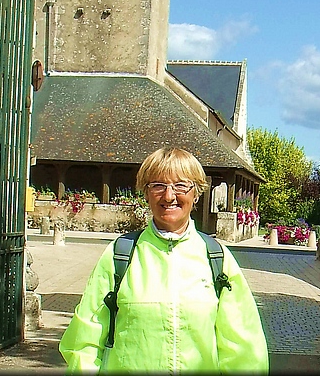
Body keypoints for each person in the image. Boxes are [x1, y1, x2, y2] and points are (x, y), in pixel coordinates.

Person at [59, 147, 269, 373]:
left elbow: (244, 349)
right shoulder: (120, 255)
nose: (169, 196)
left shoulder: (216, 258)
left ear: (196, 193)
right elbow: (85, 341)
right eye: (158, 185)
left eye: (181, 185)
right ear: (146, 193)